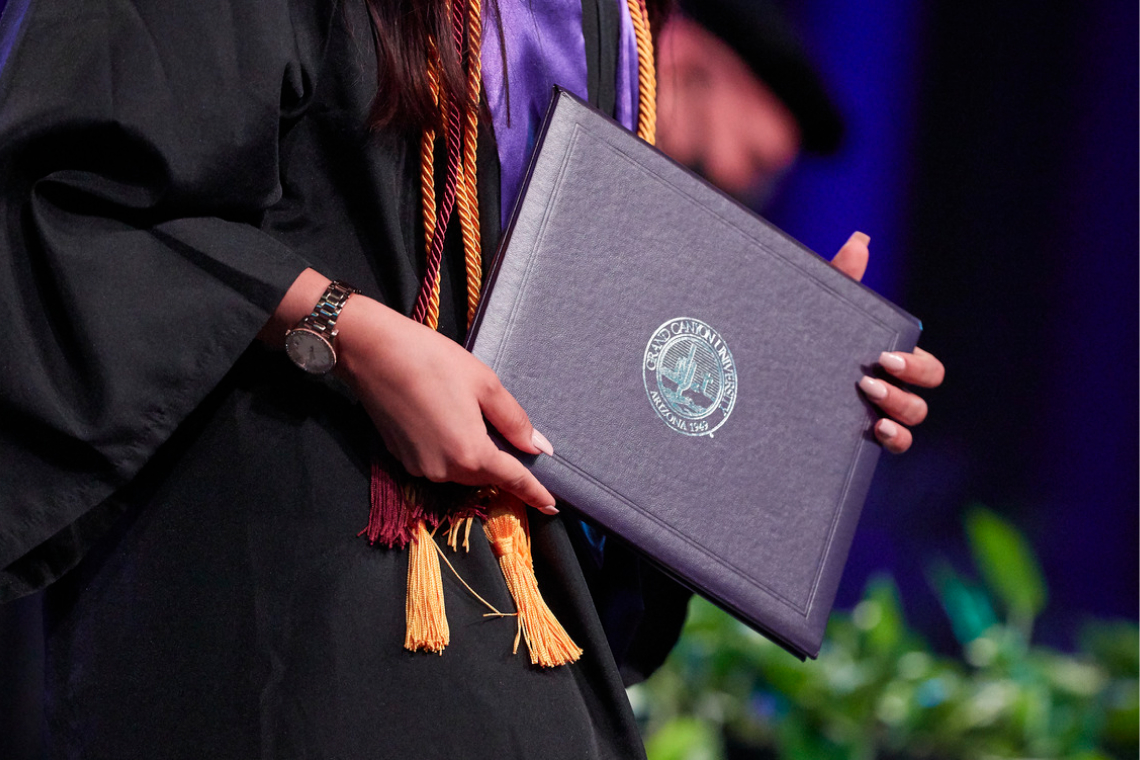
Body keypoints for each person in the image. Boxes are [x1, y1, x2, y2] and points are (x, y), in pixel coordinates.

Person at [0, 0, 943, 757]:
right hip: (284, 618)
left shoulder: (611, 20)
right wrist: (346, 331)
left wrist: (773, 388)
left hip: (520, 628)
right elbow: (66, 205)